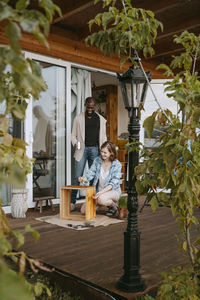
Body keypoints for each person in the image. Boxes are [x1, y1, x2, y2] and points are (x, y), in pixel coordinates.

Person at [71, 97, 107, 210]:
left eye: (92, 107)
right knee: (77, 176)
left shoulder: (101, 120)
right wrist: (75, 143)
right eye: (88, 106)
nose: (90, 109)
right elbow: (73, 135)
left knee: (93, 178)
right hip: (82, 150)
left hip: (95, 150)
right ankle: (72, 201)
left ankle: (91, 201)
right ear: (85, 105)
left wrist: (104, 149)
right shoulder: (78, 118)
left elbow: (104, 136)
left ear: (95, 106)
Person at [78, 141, 122, 216]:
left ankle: (114, 206)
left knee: (101, 199)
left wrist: (100, 193)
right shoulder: (97, 160)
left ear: (111, 153)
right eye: (101, 151)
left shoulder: (117, 164)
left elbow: (113, 184)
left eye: (105, 152)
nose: (102, 154)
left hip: (113, 191)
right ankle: (102, 204)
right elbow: (90, 173)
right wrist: (83, 179)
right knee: (83, 211)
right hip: (99, 192)